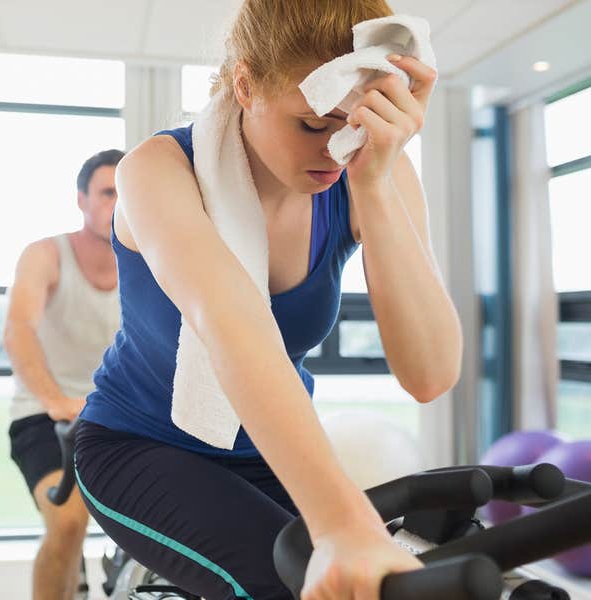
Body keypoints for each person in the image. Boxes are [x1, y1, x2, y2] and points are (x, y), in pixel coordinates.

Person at [74, 1, 462, 598]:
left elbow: (430, 374)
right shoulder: (156, 171)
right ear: (246, 83)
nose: (336, 150)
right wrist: (341, 526)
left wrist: (376, 182)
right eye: (312, 124)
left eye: (352, 125)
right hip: (138, 445)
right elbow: (231, 324)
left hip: (264, 453)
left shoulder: (370, 165)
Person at [3, 149, 123, 600]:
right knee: (68, 521)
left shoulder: (149, 261)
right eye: (108, 192)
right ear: (81, 199)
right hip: (46, 417)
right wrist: (54, 400)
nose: (118, 202)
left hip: (116, 419)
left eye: (127, 193)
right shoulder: (45, 255)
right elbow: (19, 330)